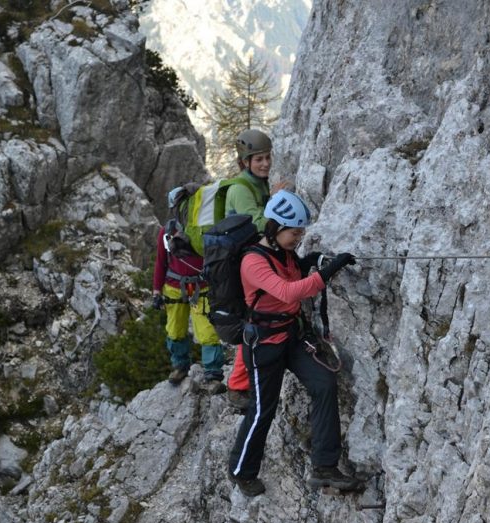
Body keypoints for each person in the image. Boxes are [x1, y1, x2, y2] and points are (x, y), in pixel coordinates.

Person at [227, 190, 358, 497]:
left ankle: (324, 467)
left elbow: (294, 273)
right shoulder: (252, 261)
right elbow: (287, 292)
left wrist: (312, 261)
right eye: (294, 232)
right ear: (274, 228)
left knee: (324, 383)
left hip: (292, 337)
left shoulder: (283, 253)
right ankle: (241, 470)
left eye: (301, 233)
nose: (298, 238)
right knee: (263, 410)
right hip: (264, 346)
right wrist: (328, 271)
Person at [224, 129, 286, 410]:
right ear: (245, 162)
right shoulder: (240, 189)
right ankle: (238, 387)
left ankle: (252, 376)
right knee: (253, 321)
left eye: (267, 157)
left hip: (254, 261)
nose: (265, 164)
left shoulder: (258, 183)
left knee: (262, 319)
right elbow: (259, 224)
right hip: (242, 267)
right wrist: (276, 200)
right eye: (258, 159)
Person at [152, 186, 225, 395]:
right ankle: (180, 365)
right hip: (177, 287)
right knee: (175, 329)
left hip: (197, 285)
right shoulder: (167, 232)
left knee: (206, 330)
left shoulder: (202, 230)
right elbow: (160, 262)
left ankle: (212, 372)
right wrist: (156, 291)